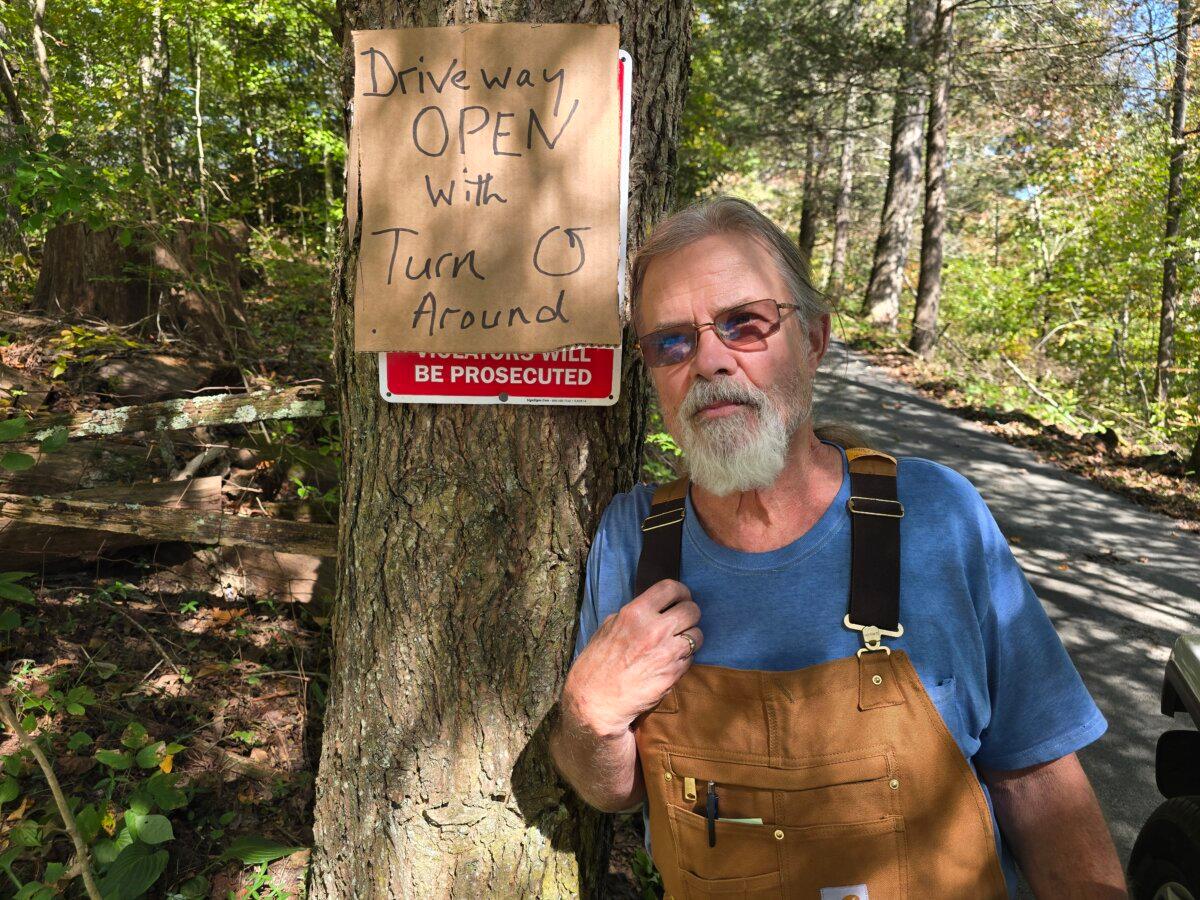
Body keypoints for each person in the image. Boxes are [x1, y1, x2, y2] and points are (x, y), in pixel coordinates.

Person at [548, 196, 1127, 899]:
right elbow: (612, 791)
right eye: (671, 341)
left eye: (746, 324)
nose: (708, 360)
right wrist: (589, 716)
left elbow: (1039, 780)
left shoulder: (937, 517)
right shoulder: (633, 540)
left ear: (815, 339)